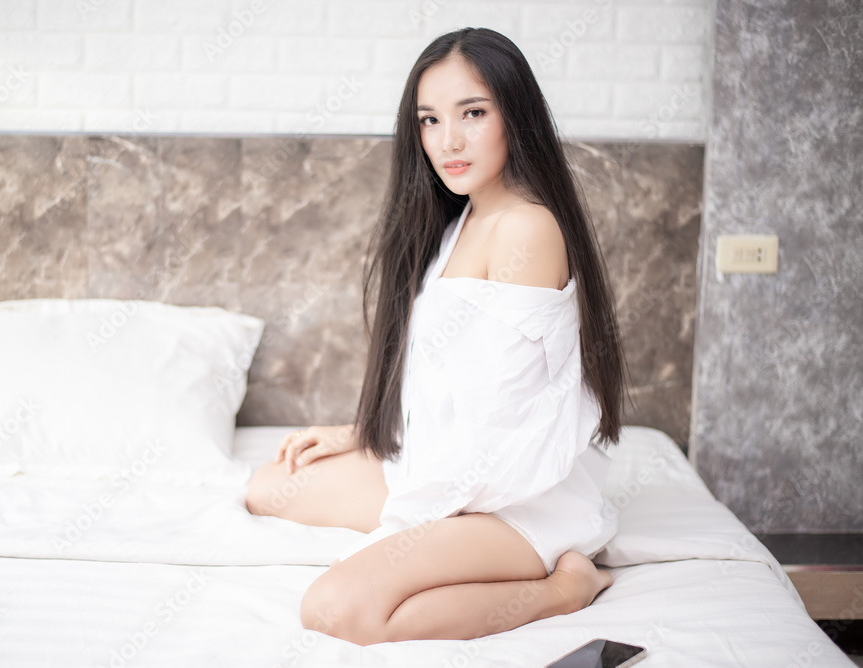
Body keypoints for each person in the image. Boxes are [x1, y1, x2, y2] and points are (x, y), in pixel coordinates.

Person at [245, 26, 628, 647]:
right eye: (429, 120)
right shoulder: (463, 215)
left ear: (516, 115)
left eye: (472, 113)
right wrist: (362, 435)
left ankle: (564, 589)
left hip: (509, 500)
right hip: (451, 468)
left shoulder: (525, 229)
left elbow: (500, 424)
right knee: (267, 487)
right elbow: (444, 376)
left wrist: (411, 530)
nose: (447, 141)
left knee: (335, 609)